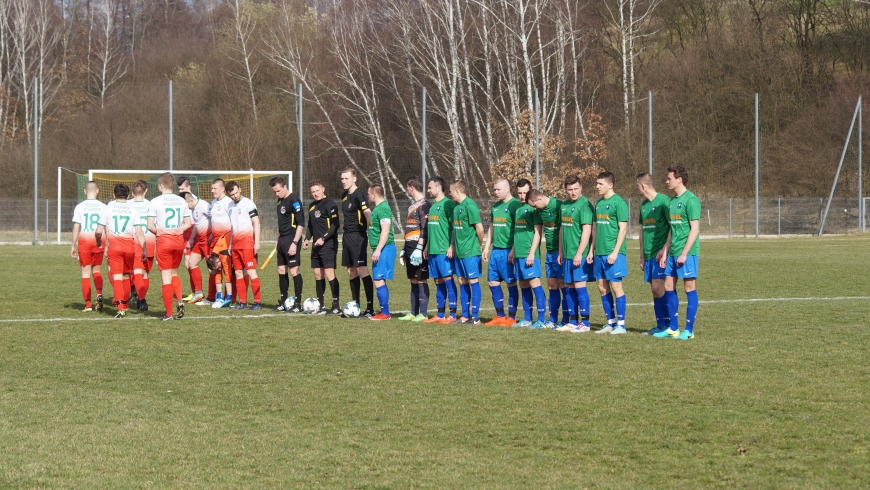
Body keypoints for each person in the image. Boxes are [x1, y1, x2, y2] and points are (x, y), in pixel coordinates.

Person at [653, 166, 701, 340]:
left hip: (687, 253)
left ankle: (689, 330)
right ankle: (673, 328)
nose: (666, 181)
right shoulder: (672, 202)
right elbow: (671, 230)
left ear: (679, 179)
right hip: (672, 252)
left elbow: (694, 229)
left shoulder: (691, 200)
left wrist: (684, 253)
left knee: (689, 288)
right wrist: (665, 251)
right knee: (668, 287)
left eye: (669, 178)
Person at [95, 184, 147, 318]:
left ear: (114, 195)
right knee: (126, 276)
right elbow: (139, 232)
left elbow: (98, 231)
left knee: (117, 277)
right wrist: (144, 248)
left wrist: (97, 240)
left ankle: (120, 308)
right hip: (130, 247)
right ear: (128, 196)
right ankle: (125, 304)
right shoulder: (133, 210)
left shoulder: (108, 209)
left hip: (115, 247)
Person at [146, 172, 192, 321]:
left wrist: (160, 232)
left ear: (160, 185)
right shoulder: (182, 201)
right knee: (174, 273)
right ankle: (179, 299)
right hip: (178, 241)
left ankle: (168, 314)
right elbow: (188, 223)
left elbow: (149, 225)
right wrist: (179, 230)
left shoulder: (155, 202)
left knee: (166, 278)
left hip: (164, 241)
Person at [556, 175, 595, 332]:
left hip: (580, 255)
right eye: (570, 189)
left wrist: (580, 254)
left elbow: (587, 231)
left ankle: (585, 323)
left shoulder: (585, 205)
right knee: (568, 287)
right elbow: (561, 230)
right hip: (566, 255)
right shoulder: (564, 205)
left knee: (579, 286)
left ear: (581, 188)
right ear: (565, 189)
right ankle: (573, 320)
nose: (573, 192)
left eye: (576, 189)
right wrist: (560, 251)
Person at [482, 178, 522, 326]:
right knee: (492, 282)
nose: (496, 192)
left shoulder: (515, 205)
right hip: (495, 251)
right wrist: (486, 247)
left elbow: (519, 230)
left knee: (511, 283)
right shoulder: (495, 206)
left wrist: (513, 249)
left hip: (508, 251)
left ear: (507, 189)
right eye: (494, 189)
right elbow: (492, 227)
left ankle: (511, 317)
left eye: (499, 189)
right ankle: (499, 315)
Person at [593, 171, 629, 334]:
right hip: (599, 253)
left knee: (616, 286)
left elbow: (623, 229)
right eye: (597, 183)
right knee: (602, 287)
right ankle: (610, 322)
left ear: (610, 185)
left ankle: (621, 324)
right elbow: (595, 228)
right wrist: (592, 250)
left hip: (613, 253)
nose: (597, 186)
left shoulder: (619, 203)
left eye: (600, 184)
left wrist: (615, 252)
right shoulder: (599, 204)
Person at [636, 172, 671, 335]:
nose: (637, 188)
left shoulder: (664, 201)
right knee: (654, 289)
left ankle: (669, 325)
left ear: (643, 185)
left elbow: (672, 227)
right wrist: (642, 255)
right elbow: (642, 231)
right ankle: (660, 325)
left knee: (659, 287)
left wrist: (665, 249)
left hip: (659, 254)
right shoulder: (644, 205)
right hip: (648, 255)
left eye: (637, 185)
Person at [528, 190, 568, 329]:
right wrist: (532, 253)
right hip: (550, 252)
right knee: (552, 285)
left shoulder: (558, 206)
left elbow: (566, 228)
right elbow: (538, 232)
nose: (534, 209)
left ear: (539, 199)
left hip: (561, 252)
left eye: (534, 205)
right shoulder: (539, 211)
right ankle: (553, 320)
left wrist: (562, 252)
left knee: (564, 285)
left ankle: (567, 319)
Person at [422, 176, 459, 324]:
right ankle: (440, 314)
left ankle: (453, 314)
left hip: (444, 250)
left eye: (430, 187)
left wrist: (452, 245)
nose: (428, 190)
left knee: (448, 280)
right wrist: (426, 246)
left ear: (438, 187)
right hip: (432, 251)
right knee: (438, 281)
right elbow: (431, 229)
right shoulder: (432, 206)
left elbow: (455, 227)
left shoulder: (448, 204)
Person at [510, 181, 547, 328]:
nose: (522, 196)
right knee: (523, 284)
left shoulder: (534, 209)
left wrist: (532, 253)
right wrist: (513, 250)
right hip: (518, 254)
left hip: (529, 254)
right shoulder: (518, 208)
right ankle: (527, 318)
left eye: (525, 193)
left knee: (534, 284)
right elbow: (516, 232)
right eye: (519, 193)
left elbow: (538, 232)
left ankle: (542, 320)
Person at [449, 179, 485, 325]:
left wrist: (478, 245)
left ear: (457, 191)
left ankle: (475, 317)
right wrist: (452, 245)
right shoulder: (456, 207)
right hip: (459, 252)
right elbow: (455, 230)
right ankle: (465, 316)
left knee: (472, 281)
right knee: (461, 280)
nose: (449, 194)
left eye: (451, 191)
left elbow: (480, 229)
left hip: (470, 251)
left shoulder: (471, 206)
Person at [340, 168, 375, 317]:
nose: (343, 181)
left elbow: (367, 211)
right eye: (342, 178)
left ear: (354, 179)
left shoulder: (359, 194)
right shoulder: (344, 196)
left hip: (358, 236)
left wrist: (372, 226)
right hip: (346, 236)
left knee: (362, 270)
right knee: (351, 271)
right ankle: (356, 306)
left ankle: (370, 308)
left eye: (346, 178)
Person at [302, 180, 341, 315]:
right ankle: (321, 305)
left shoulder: (330, 204)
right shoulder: (312, 206)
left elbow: (336, 224)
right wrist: (307, 238)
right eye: (312, 192)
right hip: (316, 245)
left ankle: (336, 305)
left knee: (329, 274)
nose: (315, 194)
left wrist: (323, 238)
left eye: (317, 190)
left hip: (328, 244)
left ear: (323, 189)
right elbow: (310, 226)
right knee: (317, 274)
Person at [396, 177, 431, 322]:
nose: (406, 190)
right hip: (410, 246)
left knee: (421, 279)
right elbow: (411, 228)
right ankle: (413, 312)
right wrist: (405, 247)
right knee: (412, 279)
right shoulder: (412, 206)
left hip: (419, 247)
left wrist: (420, 247)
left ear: (411, 187)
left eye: (407, 187)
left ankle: (423, 313)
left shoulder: (425, 205)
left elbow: (425, 228)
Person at [270, 177, 306, 313]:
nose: (276, 194)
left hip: (292, 238)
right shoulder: (279, 201)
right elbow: (282, 223)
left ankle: (297, 303)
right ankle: (284, 301)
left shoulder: (294, 200)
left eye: (278, 191)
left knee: (294, 270)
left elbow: (301, 224)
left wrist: (295, 243)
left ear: (285, 187)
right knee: (281, 270)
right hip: (282, 239)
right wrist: (277, 239)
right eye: (274, 192)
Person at [71, 181, 107, 312]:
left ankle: (88, 305)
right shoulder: (104, 206)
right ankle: (98, 293)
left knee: (85, 273)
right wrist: (107, 243)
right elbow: (106, 227)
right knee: (96, 271)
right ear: (97, 191)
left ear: (85, 191)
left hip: (84, 242)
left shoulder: (79, 207)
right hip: (99, 240)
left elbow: (76, 228)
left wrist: (72, 245)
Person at [226, 181, 262, 310]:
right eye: (232, 194)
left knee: (251, 271)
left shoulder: (248, 203)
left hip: (247, 244)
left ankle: (257, 302)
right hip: (235, 245)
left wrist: (256, 242)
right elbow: (232, 226)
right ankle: (242, 302)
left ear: (240, 189)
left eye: (236, 193)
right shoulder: (229, 205)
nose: (234, 196)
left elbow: (256, 223)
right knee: (238, 272)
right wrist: (230, 245)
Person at [177, 176, 210, 304]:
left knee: (211, 266)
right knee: (189, 263)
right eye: (179, 189)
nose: (180, 191)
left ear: (189, 188)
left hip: (202, 237)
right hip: (193, 237)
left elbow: (211, 218)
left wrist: (212, 235)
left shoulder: (199, 203)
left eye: (182, 188)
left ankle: (214, 295)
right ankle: (197, 292)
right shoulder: (185, 202)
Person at [367, 185, 396, 320]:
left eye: (369, 194)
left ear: (374, 195)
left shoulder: (383, 208)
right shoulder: (377, 209)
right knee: (379, 279)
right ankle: (384, 311)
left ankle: (385, 313)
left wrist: (378, 250)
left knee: (378, 279)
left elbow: (385, 230)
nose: (368, 196)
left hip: (385, 248)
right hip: (380, 249)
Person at [203, 179, 234, 308]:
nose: (212, 191)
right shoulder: (214, 202)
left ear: (222, 189)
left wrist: (231, 242)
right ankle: (218, 297)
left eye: (214, 188)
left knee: (226, 270)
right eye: (212, 188)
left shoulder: (229, 203)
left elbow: (233, 223)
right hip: (215, 241)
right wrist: (211, 235)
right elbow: (215, 221)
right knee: (216, 270)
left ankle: (229, 298)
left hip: (225, 242)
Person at [130, 180, 156, 311]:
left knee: (137, 272)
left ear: (132, 193)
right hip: (150, 241)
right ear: (145, 192)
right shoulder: (151, 205)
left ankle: (141, 300)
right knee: (146, 274)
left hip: (134, 241)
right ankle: (142, 299)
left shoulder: (127, 205)